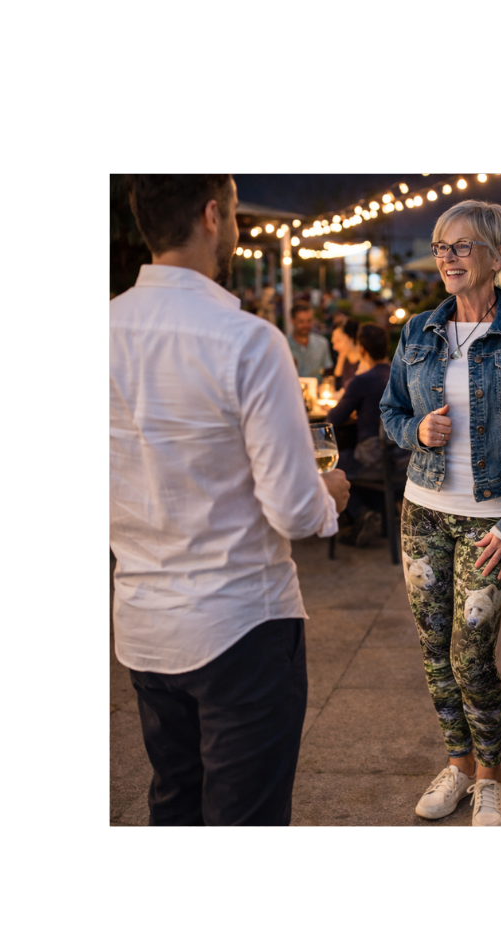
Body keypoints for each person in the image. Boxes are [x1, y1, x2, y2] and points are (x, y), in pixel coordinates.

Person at [110, 174, 350, 826]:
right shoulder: (247, 339)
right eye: (238, 212)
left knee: (174, 802)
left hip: (143, 625)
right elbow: (295, 511)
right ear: (213, 214)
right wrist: (328, 495)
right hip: (241, 625)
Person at [381, 200, 501, 827]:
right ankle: (457, 765)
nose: (446, 258)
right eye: (439, 246)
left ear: (497, 256)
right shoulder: (418, 331)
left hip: (495, 520)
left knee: (471, 653)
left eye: (461, 246)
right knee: (434, 649)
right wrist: (415, 434)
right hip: (422, 512)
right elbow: (390, 412)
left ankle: (491, 779)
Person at [329, 323, 398, 546]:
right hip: (404, 457)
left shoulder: (362, 381)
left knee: (328, 468)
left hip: (374, 457)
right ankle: (368, 514)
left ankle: (361, 513)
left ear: (362, 350)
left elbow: (333, 419)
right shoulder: (400, 374)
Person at [287, 303, 332, 377]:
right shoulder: (284, 344)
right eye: (301, 321)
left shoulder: (322, 343)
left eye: (309, 321)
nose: (306, 325)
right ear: (292, 321)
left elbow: (328, 370)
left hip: (317, 387)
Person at [331, 317, 364, 388]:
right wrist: (341, 359)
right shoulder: (343, 360)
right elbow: (336, 387)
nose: (334, 347)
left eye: (338, 341)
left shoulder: (365, 362)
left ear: (351, 338)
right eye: (333, 342)